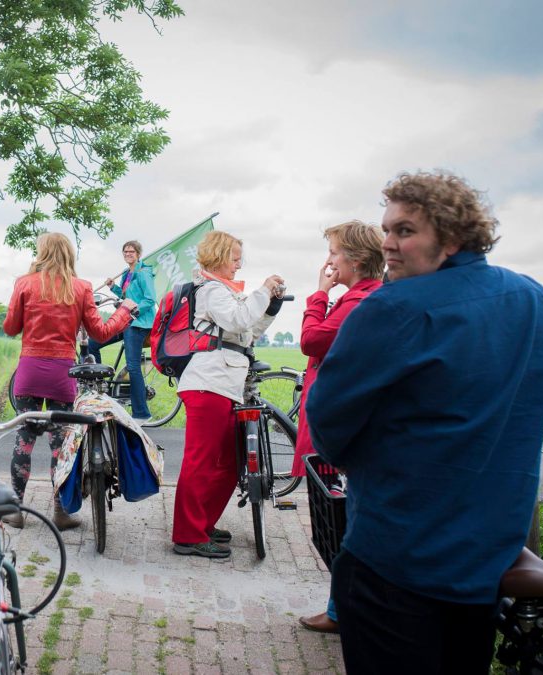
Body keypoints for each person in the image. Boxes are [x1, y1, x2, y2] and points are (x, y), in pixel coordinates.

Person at [307, 171, 543, 674]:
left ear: (452, 237)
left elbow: (329, 419)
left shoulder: (393, 308)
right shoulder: (530, 297)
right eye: (387, 230)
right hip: (488, 557)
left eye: (405, 231)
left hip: (397, 551)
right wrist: (502, 409)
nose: (387, 243)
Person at [1, 232, 137, 530]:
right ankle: (60, 512)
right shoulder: (81, 287)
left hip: (29, 370)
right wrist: (125, 311)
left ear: (42, 253)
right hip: (63, 373)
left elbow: (10, 327)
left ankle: (15, 510)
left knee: (24, 441)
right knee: (59, 446)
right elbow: (101, 332)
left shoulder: (24, 283)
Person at [293, 220, 384, 634]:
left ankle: (341, 611)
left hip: (343, 426)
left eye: (334, 252)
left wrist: (319, 294)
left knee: (348, 517)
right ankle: (342, 607)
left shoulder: (356, 302)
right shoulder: (365, 298)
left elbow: (312, 340)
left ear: (357, 260)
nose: (328, 260)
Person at [171, 230, 284, 558]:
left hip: (223, 385)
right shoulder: (211, 290)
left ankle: (202, 523)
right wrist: (263, 290)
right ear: (219, 257)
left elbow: (246, 332)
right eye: (235, 258)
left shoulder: (225, 292)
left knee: (230, 462)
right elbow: (237, 319)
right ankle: (188, 535)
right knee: (201, 461)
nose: (238, 264)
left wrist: (271, 307)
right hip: (208, 384)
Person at [88, 240, 156, 420]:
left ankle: (141, 413)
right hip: (124, 320)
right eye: (125, 252)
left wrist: (135, 310)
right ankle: (98, 387)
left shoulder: (144, 273)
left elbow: (150, 299)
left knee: (133, 366)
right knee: (93, 343)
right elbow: (126, 296)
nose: (128, 254)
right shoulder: (127, 273)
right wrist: (113, 287)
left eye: (131, 251)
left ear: (138, 254)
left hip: (138, 323)